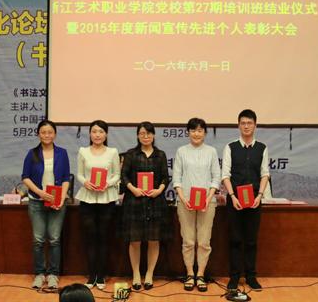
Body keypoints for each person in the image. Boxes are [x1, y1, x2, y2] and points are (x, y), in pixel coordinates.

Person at [222, 109, 269, 300]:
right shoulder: (230, 147)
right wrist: (232, 196)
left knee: (251, 240)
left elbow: (265, 174)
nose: (246, 126)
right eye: (243, 123)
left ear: (255, 125)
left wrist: (260, 195)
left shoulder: (262, 148)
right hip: (235, 200)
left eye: (249, 123)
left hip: (255, 200)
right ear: (238, 125)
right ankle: (234, 277)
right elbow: (225, 175)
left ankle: (251, 276)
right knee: (235, 239)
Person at [121, 121, 171, 290]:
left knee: (153, 240)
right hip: (134, 201)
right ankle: (136, 274)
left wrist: (159, 190)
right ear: (138, 135)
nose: (146, 136)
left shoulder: (160, 155)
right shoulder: (131, 154)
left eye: (148, 133)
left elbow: (165, 178)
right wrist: (133, 189)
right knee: (134, 240)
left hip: (155, 201)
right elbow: (124, 176)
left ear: (153, 135)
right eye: (142, 133)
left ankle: (149, 274)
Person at [22, 119, 71, 291]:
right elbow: (25, 177)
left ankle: (53, 275)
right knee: (38, 240)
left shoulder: (62, 153)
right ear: (38, 134)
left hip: (57, 202)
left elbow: (66, 178)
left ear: (55, 134)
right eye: (43, 132)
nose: (47, 135)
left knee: (55, 239)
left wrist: (61, 198)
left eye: (50, 132)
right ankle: (39, 273)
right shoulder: (32, 153)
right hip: (36, 201)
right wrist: (40, 193)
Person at [173, 118, 220, 292]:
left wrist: (208, 198)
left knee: (204, 241)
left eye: (200, 130)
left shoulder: (211, 152)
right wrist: (183, 198)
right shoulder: (181, 151)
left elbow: (216, 177)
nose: (196, 134)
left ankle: (200, 274)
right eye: (193, 130)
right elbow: (176, 178)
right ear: (188, 132)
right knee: (188, 241)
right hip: (185, 202)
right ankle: (189, 273)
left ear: (205, 133)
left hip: (208, 203)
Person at [75, 120, 121, 290]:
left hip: (106, 199)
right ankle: (91, 275)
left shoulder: (112, 152)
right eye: (94, 131)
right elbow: (79, 174)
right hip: (87, 199)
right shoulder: (83, 151)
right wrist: (85, 182)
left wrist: (107, 184)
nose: (97, 135)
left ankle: (101, 276)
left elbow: (117, 175)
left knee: (103, 237)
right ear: (90, 134)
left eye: (101, 131)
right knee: (90, 237)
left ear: (106, 134)